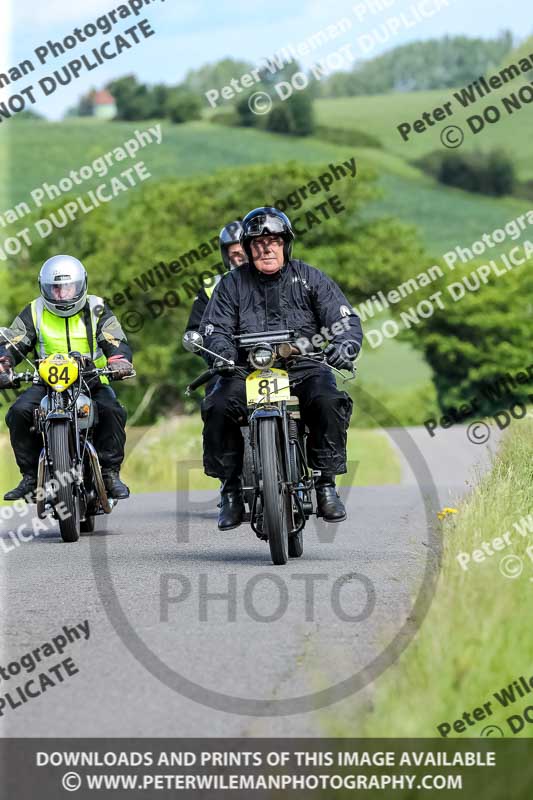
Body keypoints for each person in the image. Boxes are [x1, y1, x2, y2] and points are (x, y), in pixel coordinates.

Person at [200, 206, 363, 530]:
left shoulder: (310, 277)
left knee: (329, 400)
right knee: (217, 405)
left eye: (273, 240)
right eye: (258, 243)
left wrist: (345, 345)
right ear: (247, 248)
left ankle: (325, 484)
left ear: (285, 244)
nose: (266, 248)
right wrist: (221, 355)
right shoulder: (231, 285)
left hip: (304, 367)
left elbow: (344, 320)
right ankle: (231, 490)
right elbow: (214, 329)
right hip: (247, 369)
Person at [0, 255, 133, 501]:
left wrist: (119, 362)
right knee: (18, 412)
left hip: (91, 378)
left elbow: (115, 339)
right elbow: (14, 342)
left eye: (67, 287)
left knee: (112, 410)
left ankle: (109, 474)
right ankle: (30, 477)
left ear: (81, 285)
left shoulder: (97, 307)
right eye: (55, 288)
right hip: (46, 382)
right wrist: (4, 364)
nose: (61, 294)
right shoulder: (34, 309)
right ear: (45, 287)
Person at [184, 221, 248, 334]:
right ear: (227, 255)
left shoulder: (275, 279)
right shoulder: (211, 286)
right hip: (224, 350)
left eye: (245, 252)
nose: (241, 258)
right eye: (236, 253)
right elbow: (196, 332)